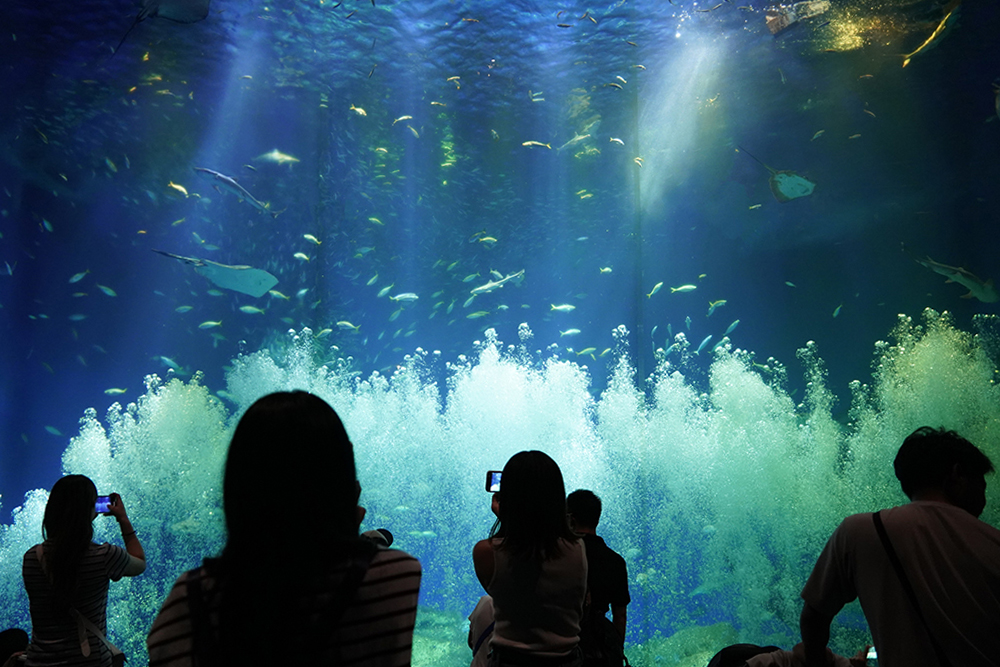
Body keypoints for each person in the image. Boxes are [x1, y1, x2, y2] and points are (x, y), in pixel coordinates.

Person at [146, 391, 422, 666]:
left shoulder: (191, 599)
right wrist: (348, 533)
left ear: (238, 483)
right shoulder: (398, 576)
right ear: (343, 479)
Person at [800, 426, 1000, 667]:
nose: (985, 498)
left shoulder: (860, 530)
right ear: (957, 475)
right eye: (981, 483)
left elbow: (813, 618)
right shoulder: (992, 542)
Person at [473, 451, 587, 666]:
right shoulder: (578, 548)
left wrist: (505, 518)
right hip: (566, 660)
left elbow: (505, 597)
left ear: (507, 496)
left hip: (510, 660)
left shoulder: (485, 552)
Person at [21, 476, 146, 667]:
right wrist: (123, 518)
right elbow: (140, 563)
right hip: (90, 662)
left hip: (40, 662)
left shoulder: (31, 558)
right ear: (91, 511)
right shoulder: (106, 556)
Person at [566, 490, 630, 641]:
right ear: (597, 518)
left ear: (571, 519)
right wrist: (616, 651)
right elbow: (620, 615)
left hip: (565, 640)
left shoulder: (561, 556)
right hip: (598, 642)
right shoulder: (615, 561)